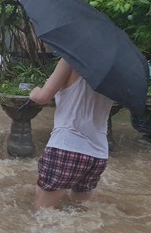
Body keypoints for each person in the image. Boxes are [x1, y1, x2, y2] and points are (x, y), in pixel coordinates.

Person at [28, 58, 113, 208]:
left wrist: (34, 91)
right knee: (79, 211)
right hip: (98, 154)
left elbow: (42, 97)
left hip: (66, 146)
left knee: (43, 213)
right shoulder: (113, 69)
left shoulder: (70, 60)